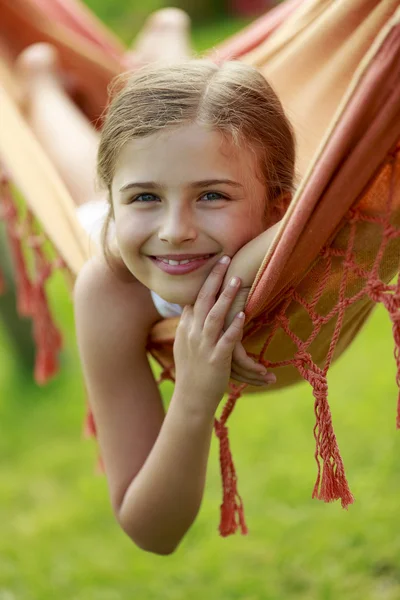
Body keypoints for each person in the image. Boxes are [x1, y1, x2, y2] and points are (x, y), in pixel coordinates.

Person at [15, 21, 295, 554]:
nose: (175, 229)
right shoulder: (111, 288)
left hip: (154, 209)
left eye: (213, 196)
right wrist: (192, 399)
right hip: (108, 232)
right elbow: (151, 529)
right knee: (85, 183)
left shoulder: (299, 223)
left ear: (277, 209)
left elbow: (330, 210)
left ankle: (170, 48)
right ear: (124, 205)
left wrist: (233, 281)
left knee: (186, 140)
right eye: (143, 199)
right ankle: (43, 83)